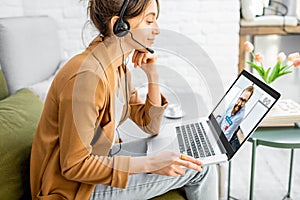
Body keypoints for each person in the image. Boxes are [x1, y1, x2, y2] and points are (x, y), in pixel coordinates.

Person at [30, 0, 218, 199]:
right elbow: (74, 166)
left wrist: (152, 76)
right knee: (199, 168)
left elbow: (150, 126)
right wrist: (151, 163)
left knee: (195, 156)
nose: (157, 30)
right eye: (149, 21)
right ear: (118, 26)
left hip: (102, 158)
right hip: (73, 189)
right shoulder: (87, 79)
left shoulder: (119, 68)